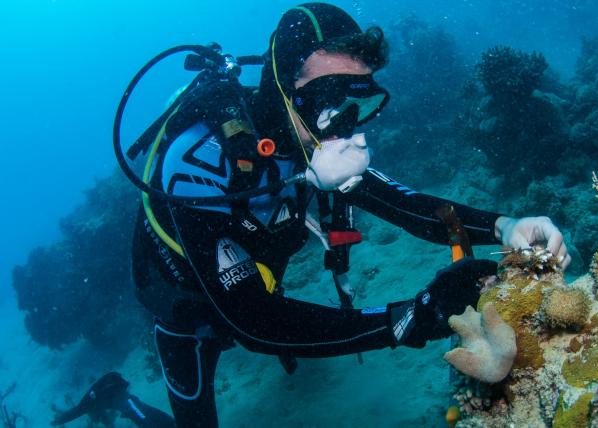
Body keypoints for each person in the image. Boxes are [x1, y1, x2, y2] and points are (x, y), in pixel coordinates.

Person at [53, 3, 570, 427]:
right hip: (189, 307)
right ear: (281, 89)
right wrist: (408, 317)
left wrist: (504, 224)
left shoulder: (313, 143)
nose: (339, 120)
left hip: (257, 283)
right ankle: (120, 403)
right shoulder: (196, 162)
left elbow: (406, 205)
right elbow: (254, 323)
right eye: (324, 96)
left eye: (354, 99)